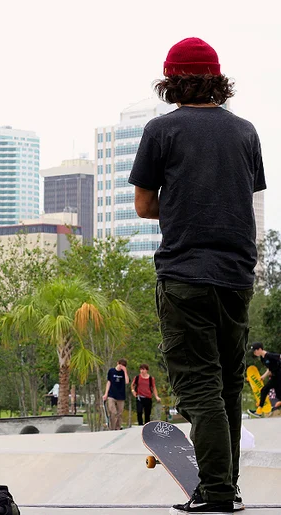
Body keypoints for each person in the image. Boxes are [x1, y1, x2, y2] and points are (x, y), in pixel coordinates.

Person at [129, 37, 264, 513]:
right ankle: (226, 487)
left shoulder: (161, 131)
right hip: (236, 277)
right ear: (217, 80)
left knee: (201, 388)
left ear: (171, 82)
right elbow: (242, 197)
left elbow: (144, 205)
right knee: (227, 388)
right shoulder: (246, 132)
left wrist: (181, 205)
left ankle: (218, 493)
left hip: (185, 276)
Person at [249, 342, 281, 416]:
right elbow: (269, 369)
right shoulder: (262, 358)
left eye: (255, 350)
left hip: (279, 375)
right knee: (278, 395)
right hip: (275, 376)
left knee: (264, 390)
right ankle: (259, 410)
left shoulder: (269, 355)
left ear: (260, 349)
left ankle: (259, 411)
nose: (254, 352)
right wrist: (263, 376)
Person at [102, 359, 129, 430]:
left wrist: (125, 371)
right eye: (120, 365)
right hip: (111, 394)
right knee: (113, 412)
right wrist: (106, 393)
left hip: (121, 395)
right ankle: (112, 428)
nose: (121, 367)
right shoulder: (111, 371)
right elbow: (109, 382)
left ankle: (118, 427)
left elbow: (127, 382)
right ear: (117, 363)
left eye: (123, 366)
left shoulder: (123, 373)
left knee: (119, 413)